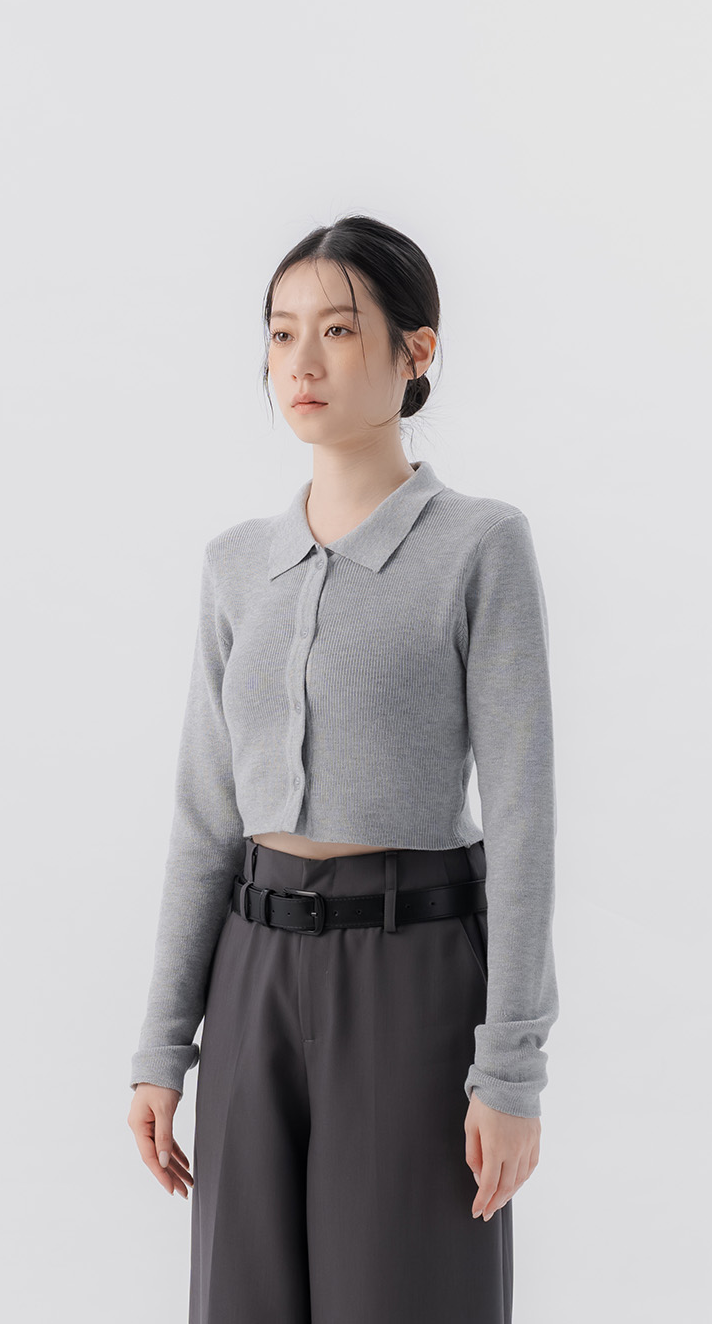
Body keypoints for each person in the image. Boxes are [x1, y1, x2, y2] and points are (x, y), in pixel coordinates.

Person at [126, 213, 559, 1324]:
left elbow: (522, 820)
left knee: (406, 1298)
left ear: (416, 351)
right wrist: (163, 1047)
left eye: (337, 329)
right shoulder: (236, 567)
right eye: (281, 334)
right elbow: (203, 820)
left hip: (412, 975)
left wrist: (510, 1070)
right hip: (251, 972)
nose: (301, 363)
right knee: (244, 1300)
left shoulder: (479, 546)